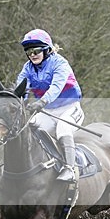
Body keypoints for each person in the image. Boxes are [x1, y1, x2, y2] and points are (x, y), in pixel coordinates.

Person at [16, 29, 84, 182]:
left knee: (63, 129)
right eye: (28, 51)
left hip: (69, 108)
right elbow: (20, 87)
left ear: (47, 49)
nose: (32, 54)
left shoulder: (60, 63)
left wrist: (41, 102)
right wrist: (21, 101)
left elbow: (56, 87)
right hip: (48, 112)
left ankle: (70, 169)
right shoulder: (27, 68)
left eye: (36, 50)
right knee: (30, 128)